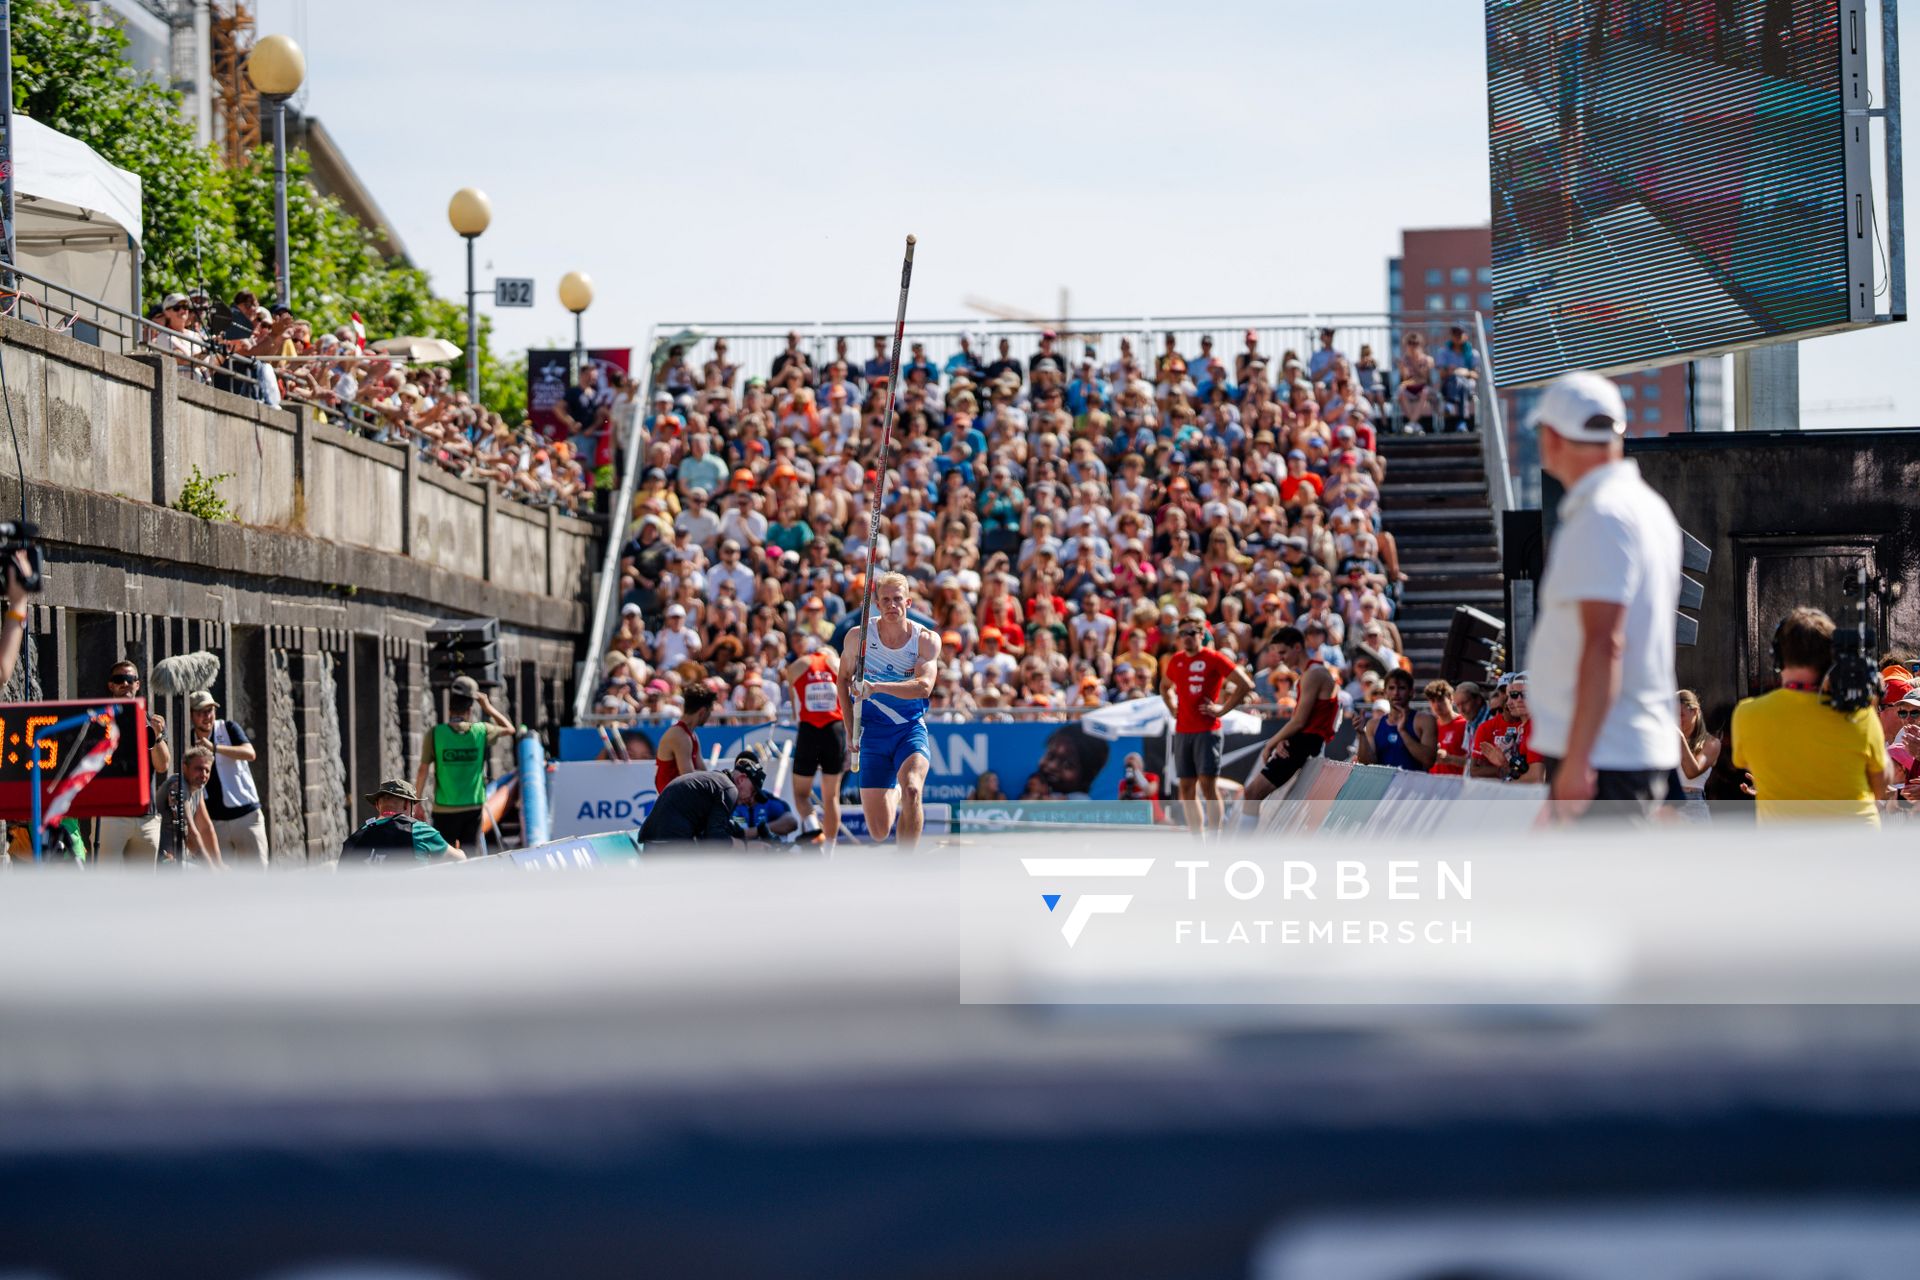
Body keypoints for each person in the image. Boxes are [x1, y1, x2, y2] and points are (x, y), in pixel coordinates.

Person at [1525, 371, 1681, 822]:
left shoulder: (1601, 515)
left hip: (1601, 753)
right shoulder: (1647, 507)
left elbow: (1603, 642)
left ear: (1553, 438)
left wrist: (1576, 762)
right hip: (1617, 748)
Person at [1731, 607, 1886, 826]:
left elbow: (1748, 762)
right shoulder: (1860, 713)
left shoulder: (1746, 714)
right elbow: (1880, 787)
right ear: (1832, 657)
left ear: (1777, 657)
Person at [839, 571, 939, 849]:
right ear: (877, 604)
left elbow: (923, 687)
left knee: (913, 789)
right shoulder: (858, 637)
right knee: (879, 831)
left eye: (898, 600)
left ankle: (906, 864)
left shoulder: (924, 640)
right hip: (872, 734)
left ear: (908, 602)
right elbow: (843, 680)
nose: (892, 605)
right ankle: (893, 793)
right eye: (886, 600)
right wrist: (850, 730)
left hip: (909, 729)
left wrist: (875, 687)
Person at [1159, 612, 1255, 837]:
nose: (1187, 637)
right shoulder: (1177, 660)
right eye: (1183, 633)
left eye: (1192, 632)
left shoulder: (1214, 658)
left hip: (1207, 731)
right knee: (1186, 788)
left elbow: (1245, 684)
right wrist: (1172, 707)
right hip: (1183, 731)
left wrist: (1221, 709)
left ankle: (1214, 838)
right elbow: (1164, 687)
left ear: (1202, 634)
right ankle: (1197, 840)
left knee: (1208, 786)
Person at [1243, 626, 1341, 818]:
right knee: (1257, 796)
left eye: (1283, 652)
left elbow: (1299, 721)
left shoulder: (1314, 673)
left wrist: (1270, 744)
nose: (1280, 659)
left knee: (1252, 794)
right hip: (1304, 741)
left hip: (1306, 743)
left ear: (1297, 647)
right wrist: (1283, 740)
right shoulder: (1309, 674)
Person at [414, 676, 515, 853]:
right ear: (470, 709)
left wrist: (417, 803)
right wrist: (488, 707)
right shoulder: (482, 731)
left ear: (449, 708)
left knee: (445, 858)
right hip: (473, 807)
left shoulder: (436, 734)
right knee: (470, 857)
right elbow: (510, 728)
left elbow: (423, 770)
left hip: (444, 809)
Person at [94, 659, 171, 864]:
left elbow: (163, 765)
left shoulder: (151, 722)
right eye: (119, 679)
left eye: (130, 679)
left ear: (138, 684)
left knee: (143, 889)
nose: (125, 684)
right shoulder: (99, 719)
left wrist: (157, 736)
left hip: (146, 816)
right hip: (110, 815)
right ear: (111, 685)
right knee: (106, 884)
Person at [189, 691, 268, 866]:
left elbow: (250, 753)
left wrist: (215, 748)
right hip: (215, 823)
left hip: (246, 816)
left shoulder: (228, 728)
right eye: (201, 712)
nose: (206, 716)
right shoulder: (188, 739)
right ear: (191, 715)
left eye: (209, 710)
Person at [783, 641, 849, 846]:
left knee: (801, 794)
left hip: (809, 730)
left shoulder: (799, 664)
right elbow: (849, 702)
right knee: (831, 798)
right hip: (834, 730)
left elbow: (795, 710)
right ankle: (829, 850)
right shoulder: (837, 664)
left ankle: (813, 828)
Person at [638, 753, 768, 847]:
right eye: (753, 792)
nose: (751, 800)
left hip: (651, 843)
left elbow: (716, 828)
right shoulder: (729, 789)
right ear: (741, 779)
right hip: (672, 846)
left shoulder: (714, 780)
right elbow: (715, 839)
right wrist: (746, 848)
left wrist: (742, 835)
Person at [340, 780, 464, 866]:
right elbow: (460, 860)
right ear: (406, 804)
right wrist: (460, 851)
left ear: (378, 805)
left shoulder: (355, 837)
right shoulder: (419, 830)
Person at [1357, 668, 1437, 771]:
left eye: (1402, 688)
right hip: (1384, 786)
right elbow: (1367, 764)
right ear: (1385, 692)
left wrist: (1403, 732)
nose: (1396, 693)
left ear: (1411, 692)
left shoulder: (1425, 721)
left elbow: (1428, 761)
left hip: (1413, 785)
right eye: (1391, 688)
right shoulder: (1373, 725)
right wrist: (1361, 735)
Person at [1471, 674, 1544, 783]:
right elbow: (1524, 773)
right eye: (1512, 695)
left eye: (1525, 694)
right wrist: (1505, 765)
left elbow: (1536, 778)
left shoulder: (1534, 725)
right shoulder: (1524, 727)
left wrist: (1504, 789)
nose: (1509, 702)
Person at [158, 745, 221, 868]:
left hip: (179, 857)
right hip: (164, 858)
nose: (203, 774)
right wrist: (211, 869)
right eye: (198, 769)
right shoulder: (178, 785)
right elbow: (190, 833)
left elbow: (206, 828)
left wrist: (219, 865)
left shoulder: (197, 788)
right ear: (185, 767)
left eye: (207, 770)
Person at [655, 684, 717, 791]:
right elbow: (689, 778)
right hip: (673, 803)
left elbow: (702, 771)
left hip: (679, 799)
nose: (710, 716)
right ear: (702, 712)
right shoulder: (680, 736)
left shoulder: (692, 735)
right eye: (710, 711)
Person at [1673, 689, 1718, 823]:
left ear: (1695, 711)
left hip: (1693, 805)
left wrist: (1679, 738)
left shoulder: (1712, 743)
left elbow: (1692, 771)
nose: (1677, 720)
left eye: (1681, 715)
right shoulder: (1668, 740)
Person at [1428, 680, 1471, 776]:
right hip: (1433, 785)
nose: (1436, 705)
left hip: (1457, 785)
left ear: (1451, 699)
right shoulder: (1430, 726)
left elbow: (1474, 761)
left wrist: (1450, 758)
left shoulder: (1465, 724)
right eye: (1433, 701)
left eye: (1440, 700)